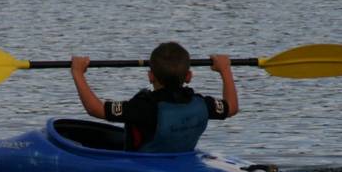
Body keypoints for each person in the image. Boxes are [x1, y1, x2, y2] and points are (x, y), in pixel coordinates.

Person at [71, 41, 239, 152]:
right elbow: (231, 107)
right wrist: (225, 70)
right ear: (188, 76)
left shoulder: (143, 107)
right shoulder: (202, 104)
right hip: (183, 161)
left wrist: (78, 72)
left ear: (150, 76)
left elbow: (95, 109)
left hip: (143, 170)